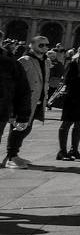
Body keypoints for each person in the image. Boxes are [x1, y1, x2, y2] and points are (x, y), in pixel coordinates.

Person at [5, 36, 49, 169]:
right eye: (41, 45)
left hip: (38, 100)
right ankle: (11, 157)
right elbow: (15, 81)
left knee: (26, 128)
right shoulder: (24, 60)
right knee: (19, 127)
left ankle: (13, 155)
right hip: (24, 100)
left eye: (47, 45)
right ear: (32, 45)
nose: (45, 47)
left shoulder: (46, 61)